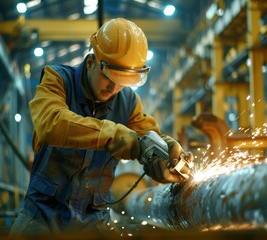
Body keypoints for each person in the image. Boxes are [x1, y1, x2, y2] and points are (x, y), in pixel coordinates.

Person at [10, 18, 193, 236]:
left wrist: (168, 150)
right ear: (91, 63)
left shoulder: (128, 102)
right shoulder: (57, 80)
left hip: (95, 222)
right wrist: (113, 135)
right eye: (110, 77)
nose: (114, 88)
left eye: (123, 81)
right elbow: (51, 124)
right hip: (43, 218)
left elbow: (149, 135)